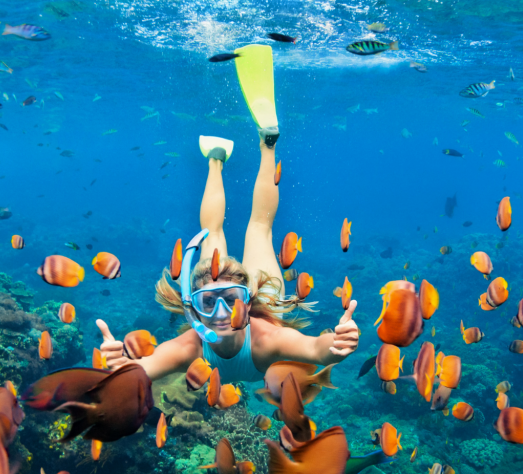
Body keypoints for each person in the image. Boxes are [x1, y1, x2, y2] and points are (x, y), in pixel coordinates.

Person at [96, 44, 359, 383]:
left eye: (231, 300)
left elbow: (315, 349)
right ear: (195, 308)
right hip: (269, 295)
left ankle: (224, 156)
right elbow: (142, 370)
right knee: (258, 229)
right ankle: (256, 146)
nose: (222, 314)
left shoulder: (265, 339)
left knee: (222, 231)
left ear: (247, 303)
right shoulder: (191, 345)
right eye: (210, 303)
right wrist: (121, 368)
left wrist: (335, 346)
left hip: (259, 301)